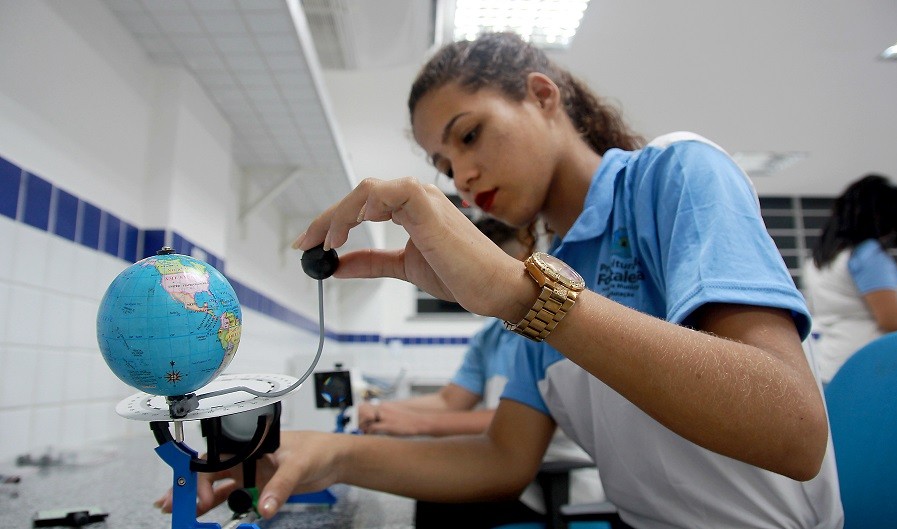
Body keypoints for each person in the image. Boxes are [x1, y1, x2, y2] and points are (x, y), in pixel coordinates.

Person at [158, 32, 841, 528]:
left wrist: (521, 294)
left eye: (470, 135)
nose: (461, 175)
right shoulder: (548, 270)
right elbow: (502, 457)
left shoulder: (674, 174)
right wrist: (327, 452)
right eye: (442, 162)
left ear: (542, 96)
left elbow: (794, 428)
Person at [358, 217, 603, 528]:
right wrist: (383, 411)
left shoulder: (546, 330)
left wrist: (415, 423)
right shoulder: (491, 335)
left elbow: (510, 423)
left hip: (552, 483)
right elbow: (450, 400)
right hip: (513, 471)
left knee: (435, 506)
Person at [802, 174, 897, 385]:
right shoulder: (868, 255)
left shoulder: (821, 258)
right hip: (868, 363)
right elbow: (891, 320)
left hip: (828, 362)